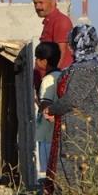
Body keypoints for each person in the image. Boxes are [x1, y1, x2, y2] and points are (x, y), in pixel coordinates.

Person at [41, 24, 98, 195]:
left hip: (80, 136)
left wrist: (52, 109)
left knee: (76, 182)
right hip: (76, 132)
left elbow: (72, 99)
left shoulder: (87, 69)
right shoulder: (89, 66)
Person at [32, 0, 73, 86]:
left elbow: (62, 54)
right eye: (35, 3)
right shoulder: (49, 22)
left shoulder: (60, 21)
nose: (37, 7)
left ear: (53, 2)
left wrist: (53, 84)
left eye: (41, 3)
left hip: (54, 83)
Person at [33, 41, 61, 180]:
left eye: (37, 59)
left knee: (45, 174)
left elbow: (46, 107)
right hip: (55, 134)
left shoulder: (48, 79)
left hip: (46, 134)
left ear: (44, 61)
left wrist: (37, 101)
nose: (36, 62)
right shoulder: (61, 75)